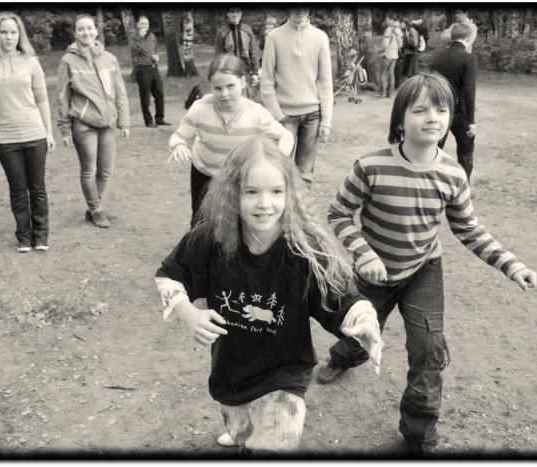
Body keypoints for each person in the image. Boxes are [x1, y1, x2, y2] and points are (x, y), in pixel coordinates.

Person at [316, 73, 537, 453]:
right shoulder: (370, 166)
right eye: (420, 110)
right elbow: (338, 213)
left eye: (441, 110)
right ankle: (343, 356)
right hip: (373, 276)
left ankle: (418, 436)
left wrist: (511, 264)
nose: (432, 117)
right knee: (358, 335)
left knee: (428, 352)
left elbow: (469, 228)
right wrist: (363, 252)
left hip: (423, 272)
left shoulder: (453, 174)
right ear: (400, 120)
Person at [155, 136, 384, 452]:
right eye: (251, 191)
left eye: (276, 191)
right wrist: (188, 313)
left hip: (285, 372)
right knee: (241, 425)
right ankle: (243, 431)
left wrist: (365, 321)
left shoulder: (304, 249)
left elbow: (342, 298)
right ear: (232, 192)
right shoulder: (209, 240)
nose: (265, 203)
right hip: (232, 369)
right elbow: (168, 276)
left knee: (273, 443)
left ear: (290, 193)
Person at [168, 55, 294, 229]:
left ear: (242, 82)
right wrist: (178, 145)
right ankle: (198, 245)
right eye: (218, 88)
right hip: (204, 174)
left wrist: (276, 160)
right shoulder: (200, 109)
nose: (224, 94)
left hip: (238, 176)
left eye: (230, 86)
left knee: (236, 222)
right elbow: (178, 136)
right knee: (201, 221)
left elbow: (286, 136)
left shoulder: (255, 113)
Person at [0, 11, 56, 253]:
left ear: (19, 35)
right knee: (18, 189)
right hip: (5, 138)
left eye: (13, 32)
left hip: (35, 134)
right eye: (4, 32)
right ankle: (24, 236)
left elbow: (42, 98)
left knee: (37, 188)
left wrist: (49, 132)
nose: (9, 37)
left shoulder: (31, 62)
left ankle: (40, 236)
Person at [57, 13, 130, 229]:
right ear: (75, 33)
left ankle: (93, 207)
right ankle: (97, 209)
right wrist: (64, 129)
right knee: (89, 170)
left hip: (107, 125)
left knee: (105, 171)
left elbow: (120, 92)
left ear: (96, 31)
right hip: (83, 125)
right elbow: (62, 96)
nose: (86, 32)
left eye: (89, 28)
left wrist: (124, 121)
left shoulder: (109, 59)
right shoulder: (68, 61)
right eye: (81, 29)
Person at [260, 8, 333, 189]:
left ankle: (300, 207)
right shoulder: (274, 37)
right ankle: (279, 206)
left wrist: (326, 121)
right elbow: (267, 81)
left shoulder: (320, 37)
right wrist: (278, 115)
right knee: (279, 169)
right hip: (284, 116)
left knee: (305, 173)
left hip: (312, 116)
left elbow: (325, 81)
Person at [431, 24, 478, 191]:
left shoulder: (438, 59)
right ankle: (464, 188)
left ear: (452, 37)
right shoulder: (469, 59)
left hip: (439, 109)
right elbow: (469, 91)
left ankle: (429, 183)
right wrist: (471, 121)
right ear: (468, 38)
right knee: (465, 151)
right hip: (459, 111)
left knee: (434, 148)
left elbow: (431, 86)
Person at [130, 16, 169, 128]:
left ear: (148, 25)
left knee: (159, 94)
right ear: (138, 25)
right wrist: (140, 38)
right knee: (145, 96)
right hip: (142, 69)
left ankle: (159, 118)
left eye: (146, 24)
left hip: (154, 67)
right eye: (142, 24)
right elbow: (134, 52)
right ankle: (148, 121)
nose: (144, 26)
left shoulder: (152, 36)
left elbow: (156, 48)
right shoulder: (134, 37)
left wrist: (157, 56)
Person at [214, 8, 260, 98]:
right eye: (232, 12)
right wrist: (219, 72)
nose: (235, 15)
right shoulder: (222, 32)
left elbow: (253, 52)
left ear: (241, 13)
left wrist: (255, 72)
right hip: (229, 72)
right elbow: (218, 56)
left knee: (246, 100)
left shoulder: (247, 30)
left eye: (237, 11)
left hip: (246, 72)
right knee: (232, 98)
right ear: (228, 14)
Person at [376, 13, 402, 99]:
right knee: (391, 73)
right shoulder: (398, 29)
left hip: (387, 54)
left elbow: (385, 43)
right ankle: (390, 93)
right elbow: (401, 43)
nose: (386, 21)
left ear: (392, 20)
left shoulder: (389, 29)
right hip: (395, 54)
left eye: (387, 19)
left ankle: (382, 93)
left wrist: (381, 50)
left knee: (382, 73)